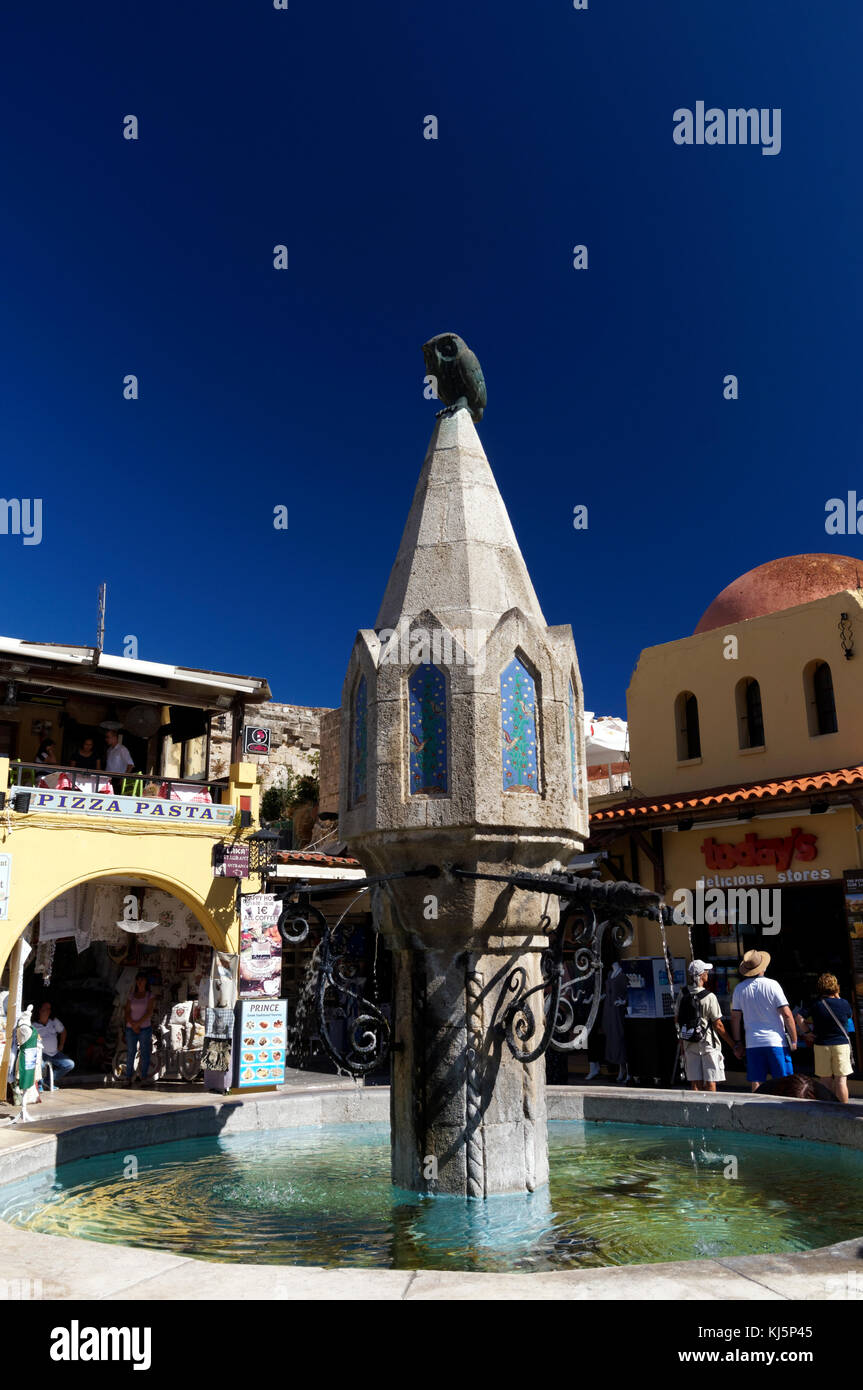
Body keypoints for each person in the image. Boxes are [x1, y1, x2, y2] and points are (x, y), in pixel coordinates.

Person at [730, 949, 797, 1091]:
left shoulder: (739, 989)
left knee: (756, 1081)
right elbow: (786, 1014)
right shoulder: (773, 985)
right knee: (782, 1081)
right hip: (776, 1041)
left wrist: (737, 1042)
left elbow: (735, 1018)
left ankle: (755, 1110)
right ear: (763, 967)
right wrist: (794, 1039)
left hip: (752, 1042)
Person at [796, 973, 855, 1104]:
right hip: (841, 1044)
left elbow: (799, 1017)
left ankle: (827, 1110)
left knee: (825, 1080)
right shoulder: (844, 1004)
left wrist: (806, 1032)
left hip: (822, 1044)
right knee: (841, 1080)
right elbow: (849, 1016)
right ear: (836, 987)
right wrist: (837, 996)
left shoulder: (815, 1004)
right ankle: (844, 1110)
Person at [676, 959, 732, 1092]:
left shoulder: (682, 993)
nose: (708, 973)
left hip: (689, 1042)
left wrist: (682, 1042)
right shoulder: (709, 996)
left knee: (695, 1083)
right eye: (706, 971)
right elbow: (718, 1025)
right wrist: (732, 1044)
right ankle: (711, 1110)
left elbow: (677, 1020)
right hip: (707, 1043)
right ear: (701, 975)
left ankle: (697, 1110)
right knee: (711, 1081)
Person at [124, 972, 155, 1086]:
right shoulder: (131, 995)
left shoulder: (149, 996)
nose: (140, 982)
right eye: (138, 980)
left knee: (145, 1053)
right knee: (131, 1052)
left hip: (144, 1028)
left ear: (146, 982)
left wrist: (137, 1024)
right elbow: (126, 1011)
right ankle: (128, 1077)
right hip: (130, 1028)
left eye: (142, 980)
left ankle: (143, 1077)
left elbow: (149, 1012)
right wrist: (133, 1024)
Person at [32, 1000, 75, 1083]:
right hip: (42, 1054)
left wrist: (61, 1045)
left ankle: (49, 1081)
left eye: (49, 1009)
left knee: (69, 1064)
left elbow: (63, 1032)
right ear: (40, 1011)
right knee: (40, 1065)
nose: (48, 1011)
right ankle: (40, 1084)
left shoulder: (53, 1021)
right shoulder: (33, 1025)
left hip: (55, 1053)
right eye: (46, 1008)